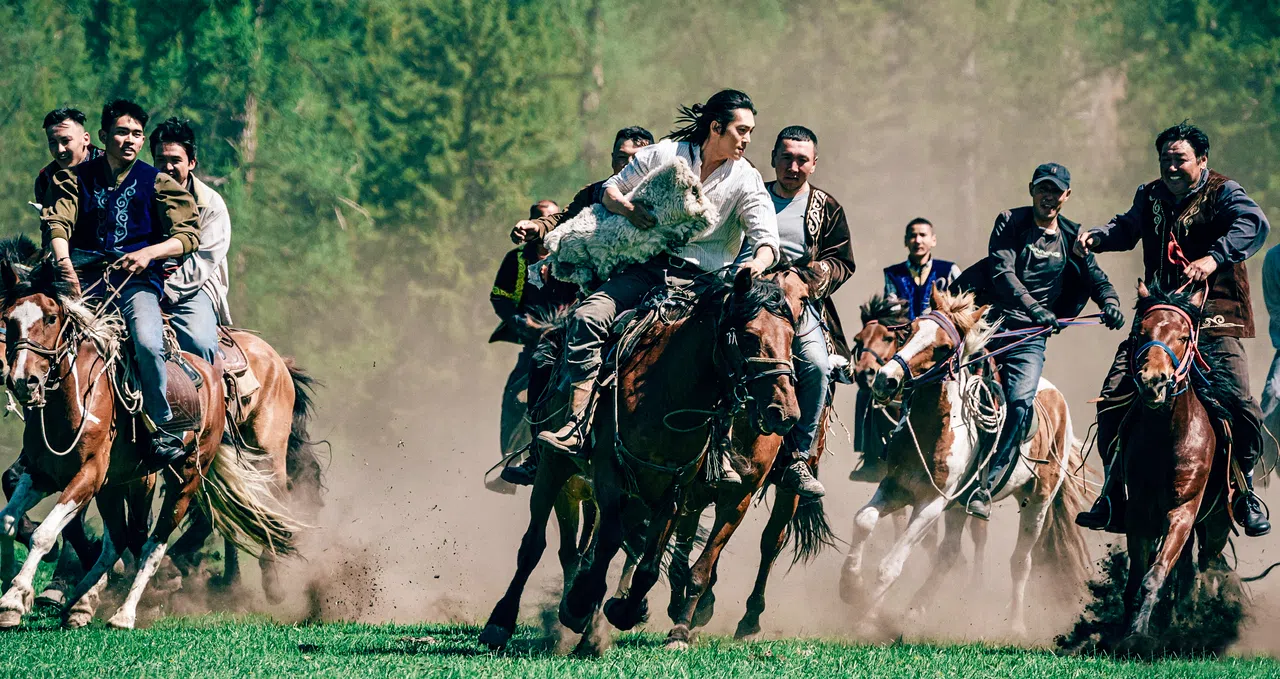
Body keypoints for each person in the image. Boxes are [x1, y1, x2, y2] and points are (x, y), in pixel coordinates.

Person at [537, 89, 779, 468]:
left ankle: (720, 448)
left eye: (750, 132)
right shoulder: (665, 154)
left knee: (738, 345)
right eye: (741, 130)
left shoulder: (747, 179)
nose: (747, 140)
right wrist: (627, 209)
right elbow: (610, 188)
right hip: (645, 270)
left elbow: (767, 238)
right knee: (587, 317)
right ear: (716, 127)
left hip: (705, 285)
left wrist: (756, 264)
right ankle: (577, 422)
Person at [1074, 122, 1271, 536]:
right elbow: (1127, 230)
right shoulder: (1150, 195)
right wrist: (1098, 237)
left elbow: (1254, 223)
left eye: (1179, 159)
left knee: (1242, 406)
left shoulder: (1225, 192)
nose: (1171, 167)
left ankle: (1244, 491)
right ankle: (1113, 494)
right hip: (1160, 320)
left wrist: (1214, 258)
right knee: (1111, 398)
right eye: (1166, 160)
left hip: (1215, 317)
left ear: (1202, 160)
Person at [40, 99, 201, 471]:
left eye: (137, 134)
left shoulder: (157, 182)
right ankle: (40, 420)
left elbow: (188, 235)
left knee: (146, 340)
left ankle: (163, 427)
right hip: (84, 282)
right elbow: (58, 224)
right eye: (122, 132)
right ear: (103, 136)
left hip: (136, 283)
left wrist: (150, 254)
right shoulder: (74, 178)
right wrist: (63, 264)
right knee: (38, 330)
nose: (130, 140)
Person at [964, 163, 1125, 520]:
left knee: (1020, 404)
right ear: (1031, 190)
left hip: (1027, 340)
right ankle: (890, 456)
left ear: (1066, 196)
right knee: (930, 371)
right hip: (983, 328)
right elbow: (1001, 271)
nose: (1049, 196)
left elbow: (1097, 279)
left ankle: (986, 487)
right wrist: (1035, 307)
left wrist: (1111, 303)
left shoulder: (1073, 236)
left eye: (1056, 191)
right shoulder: (1010, 222)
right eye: (1043, 189)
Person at [761, 125, 854, 498]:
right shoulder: (752, 196)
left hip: (798, 305)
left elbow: (843, 261)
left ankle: (799, 456)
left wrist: (806, 280)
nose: (793, 166)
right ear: (773, 159)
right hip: (747, 295)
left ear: (814, 164)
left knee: (815, 363)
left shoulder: (827, 208)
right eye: (787, 158)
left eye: (802, 160)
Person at [489, 202, 578, 489]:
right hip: (533, 344)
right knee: (515, 396)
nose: (544, 223)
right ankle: (511, 462)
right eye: (539, 218)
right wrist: (524, 324)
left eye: (549, 218)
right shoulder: (516, 260)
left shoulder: (571, 256)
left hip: (572, 340)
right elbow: (500, 298)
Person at [149, 118, 231, 363]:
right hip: (145, 281)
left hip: (192, 287)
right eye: (161, 160)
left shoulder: (211, 204)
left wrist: (165, 292)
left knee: (199, 342)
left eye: (175, 160)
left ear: (192, 162)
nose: (167, 167)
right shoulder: (141, 194)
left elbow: (204, 261)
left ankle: (206, 400)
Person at [510, 126, 655, 245]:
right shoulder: (593, 193)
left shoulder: (667, 192)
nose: (629, 164)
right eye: (622, 157)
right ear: (612, 159)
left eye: (637, 158)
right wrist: (537, 227)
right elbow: (565, 221)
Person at [883, 218, 960, 320]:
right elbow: (891, 312)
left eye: (923, 235)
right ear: (905, 241)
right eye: (913, 236)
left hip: (938, 333)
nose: (918, 241)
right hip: (905, 334)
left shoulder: (949, 270)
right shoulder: (893, 274)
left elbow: (961, 306)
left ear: (933, 240)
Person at [34, 108, 104, 210]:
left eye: (65, 141)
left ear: (85, 139)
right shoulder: (46, 179)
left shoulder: (108, 167)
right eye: (53, 143)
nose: (60, 150)